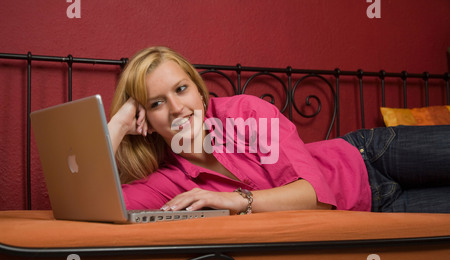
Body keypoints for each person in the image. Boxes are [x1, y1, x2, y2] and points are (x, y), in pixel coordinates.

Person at [108, 46, 450, 214]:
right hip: (375, 210)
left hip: (371, 158)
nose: (177, 108)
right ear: (147, 122)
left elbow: (313, 196)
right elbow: (99, 208)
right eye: (156, 104)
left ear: (198, 89)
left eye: (181, 90)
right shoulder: (167, 181)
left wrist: (232, 201)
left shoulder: (244, 112)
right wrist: (119, 123)